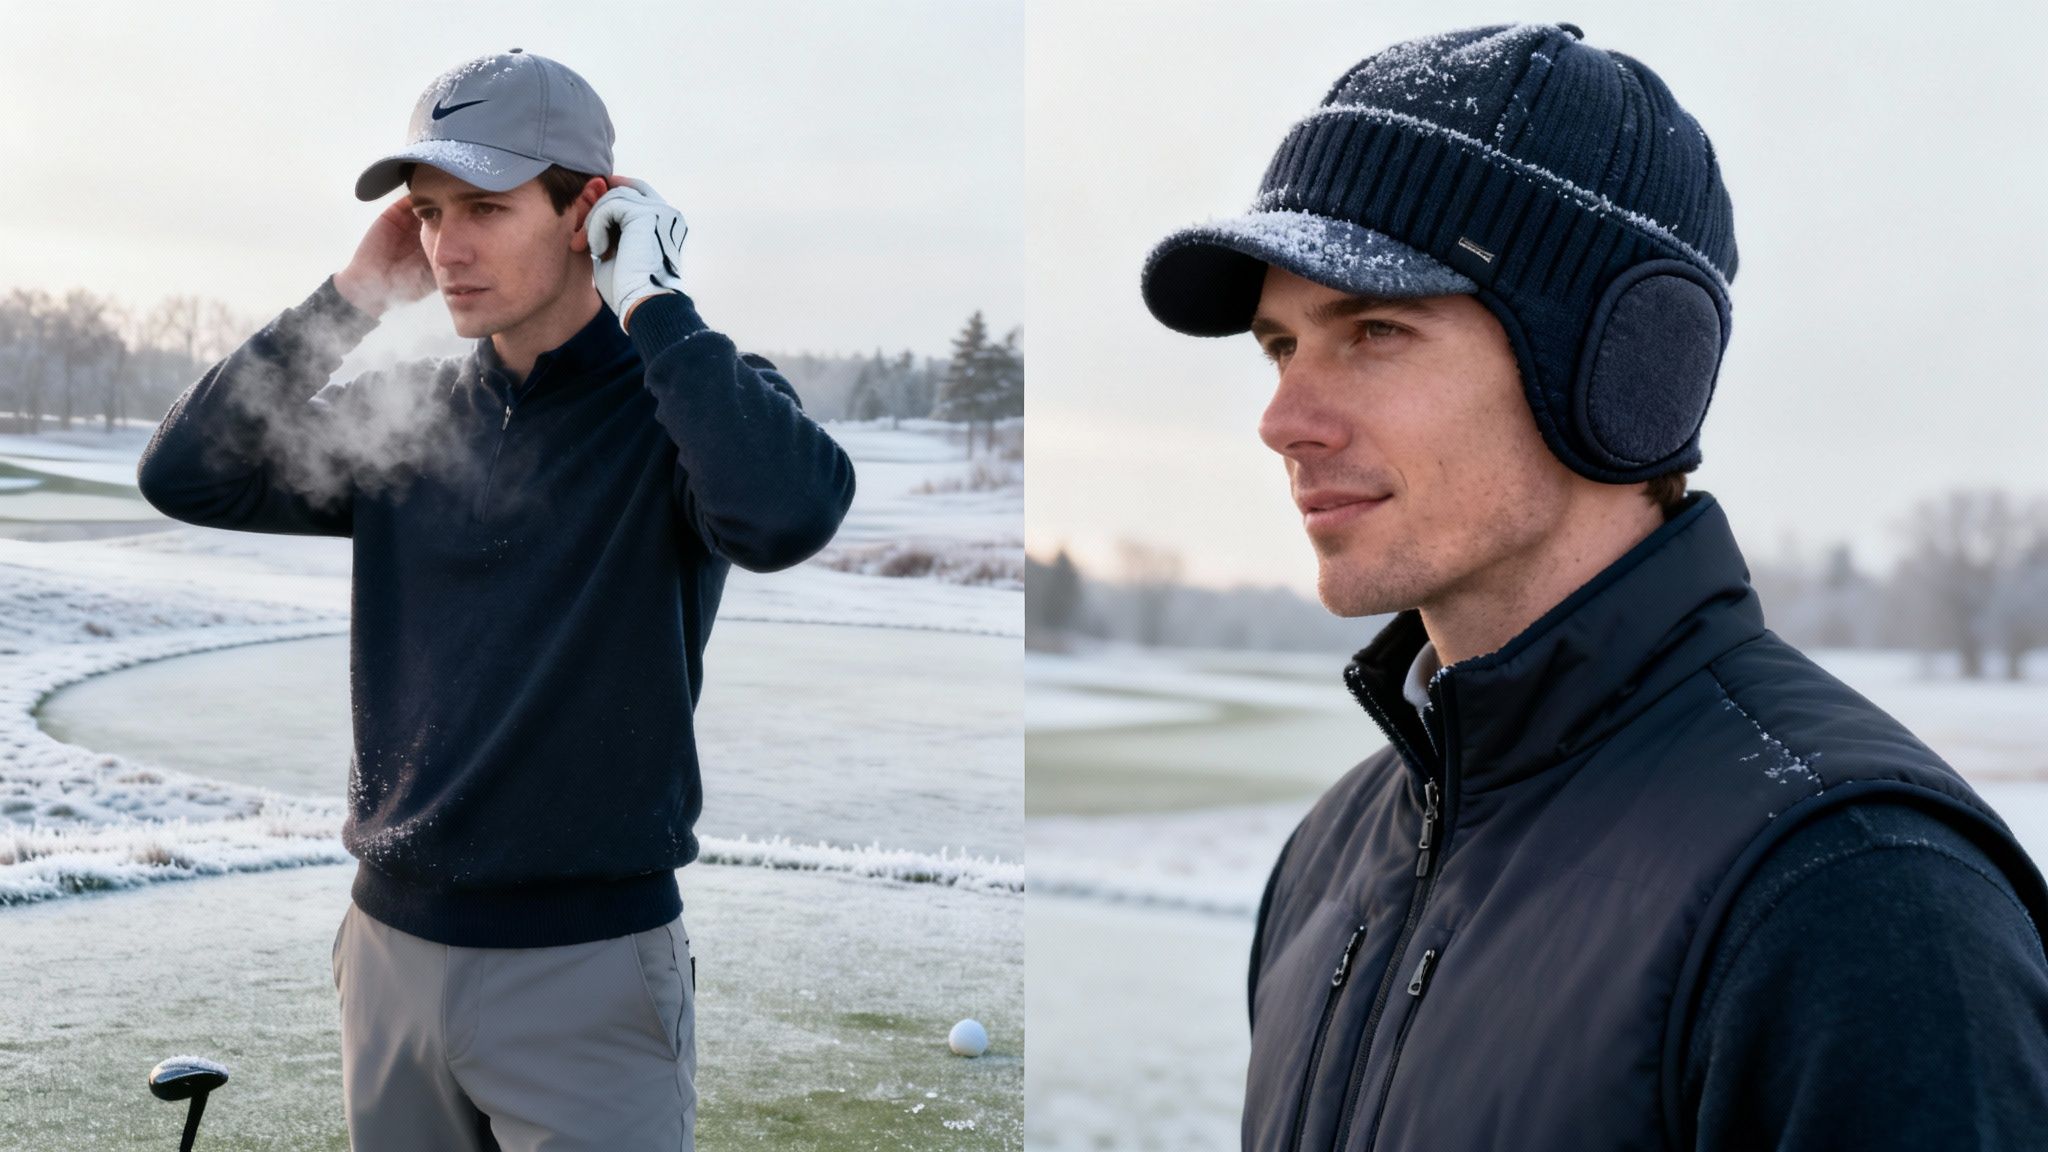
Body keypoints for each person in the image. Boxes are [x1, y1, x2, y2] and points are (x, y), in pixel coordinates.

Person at [1139, 22, 2048, 1152]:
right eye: (1279, 346)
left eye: (1373, 331)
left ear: (1624, 369)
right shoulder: (1333, 856)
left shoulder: (1853, 898)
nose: (1282, 422)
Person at [136, 49, 855, 1150]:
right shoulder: (403, 419)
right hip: (388, 957)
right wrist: (351, 299)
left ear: (588, 214)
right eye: (427, 214)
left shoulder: (684, 404)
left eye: (484, 206)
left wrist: (654, 301)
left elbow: (786, 514)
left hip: (588, 973)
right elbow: (187, 472)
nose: (445, 246)